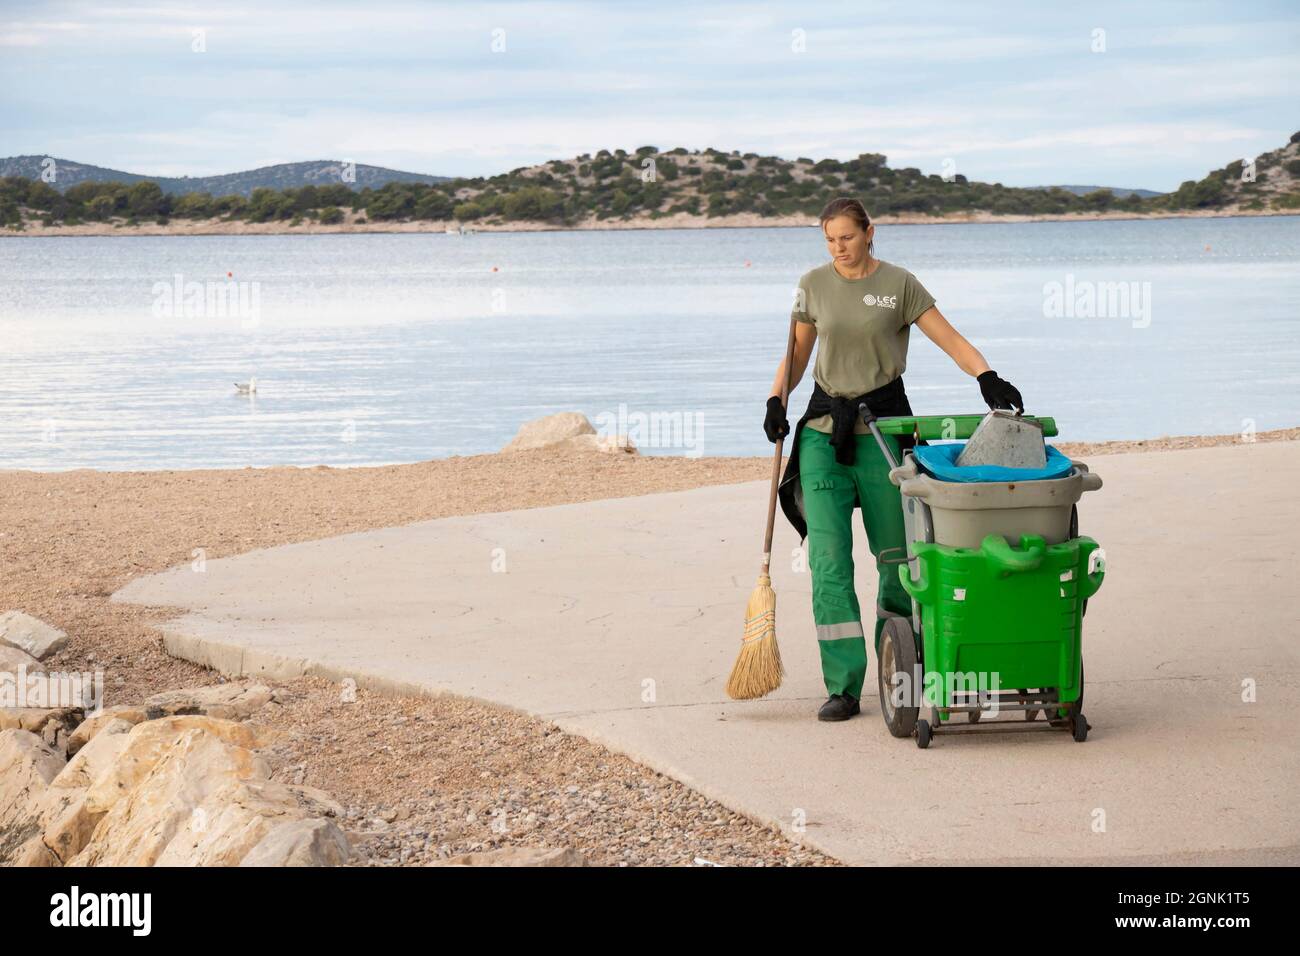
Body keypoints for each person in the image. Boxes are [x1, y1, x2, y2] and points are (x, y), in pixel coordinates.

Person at [764, 197, 1024, 721]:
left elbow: (949, 339)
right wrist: (775, 399)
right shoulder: (812, 285)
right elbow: (795, 356)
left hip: (883, 433)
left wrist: (986, 377)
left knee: (895, 560)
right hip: (821, 435)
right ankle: (842, 685)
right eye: (830, 240)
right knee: (828, 563)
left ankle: (897, 668)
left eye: (847, 237)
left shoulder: (900, 285)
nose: (838, 248)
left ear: (869, 233)